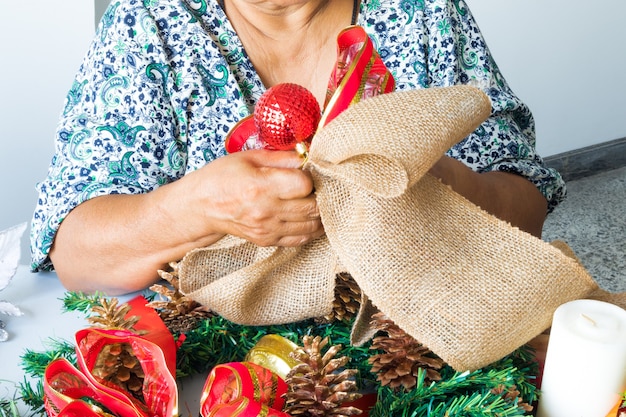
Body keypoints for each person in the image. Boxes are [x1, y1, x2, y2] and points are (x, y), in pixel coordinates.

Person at [31, 0, 565, 296]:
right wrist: (197, 207)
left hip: (422, 343)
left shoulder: (422, 11)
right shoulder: (148, 24)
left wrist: (443, 184)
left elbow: (528, 205)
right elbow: (77, 253)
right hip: (219, 371)